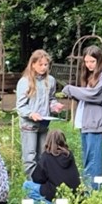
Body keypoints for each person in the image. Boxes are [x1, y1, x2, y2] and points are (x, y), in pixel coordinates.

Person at [62, 46, 102, 189]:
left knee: (94, 160)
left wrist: (71, 89)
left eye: (92, 61)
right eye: (86, 62)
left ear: (99, 60)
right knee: (87, 159)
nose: (89, 65)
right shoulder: (92, 74)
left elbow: (95, 95)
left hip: (95, 122)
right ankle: (88, 190)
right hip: (86, 122)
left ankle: (95, 192)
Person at [15, 50, 63, 178]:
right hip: (29, 126)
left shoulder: (51, 80)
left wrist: (55, 106)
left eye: (46, 65)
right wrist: (31, 114)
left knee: (44, 155)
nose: (43, 68)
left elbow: (51, 99)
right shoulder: (25, 82)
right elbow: (20, 106)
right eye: (40, 65)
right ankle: (31, 185)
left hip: (44, 124)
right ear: (33, 65)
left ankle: (42, 184)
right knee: (30, 157)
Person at [23, 129, 80, 204]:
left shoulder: (46, 156)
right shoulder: (69, 154)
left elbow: (37, 178)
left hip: (55, 193)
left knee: (26, 185)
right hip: (73, 194)